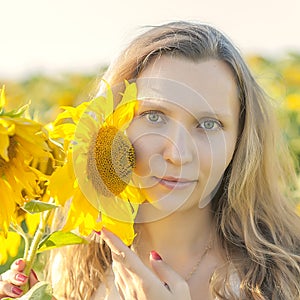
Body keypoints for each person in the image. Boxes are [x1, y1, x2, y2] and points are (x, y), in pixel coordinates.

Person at [1, 21, 300, 300]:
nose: (177, 154)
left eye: (209, 124)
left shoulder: (288, 275)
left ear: (241, 139)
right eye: (154, 117)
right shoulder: (75, 269)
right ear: (113, 122)